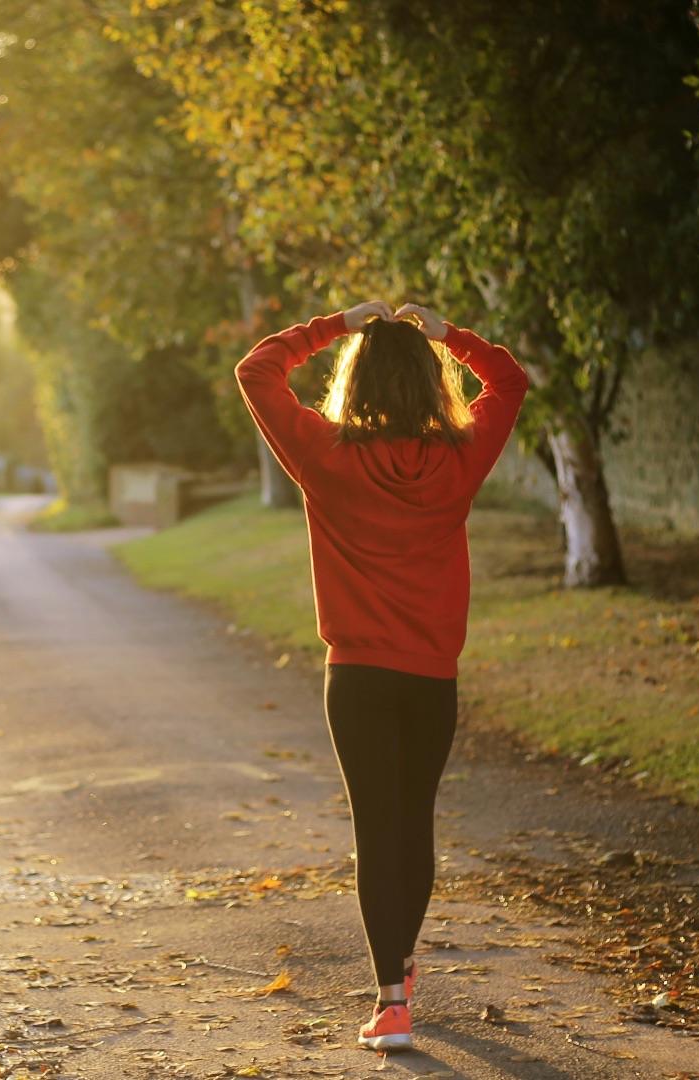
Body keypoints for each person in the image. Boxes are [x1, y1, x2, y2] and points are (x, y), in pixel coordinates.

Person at [235, 299, 529, 1052]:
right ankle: (398, 973)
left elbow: (257, 370)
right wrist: (449, 336)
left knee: (377, 829)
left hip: (358, 677)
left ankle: (392, 1000)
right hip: (431, 677)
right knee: (414, 824)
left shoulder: (325, 454)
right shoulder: (461, 457)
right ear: (432, 385)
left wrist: (335, 324)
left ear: (355, 383)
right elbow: (511, 379)